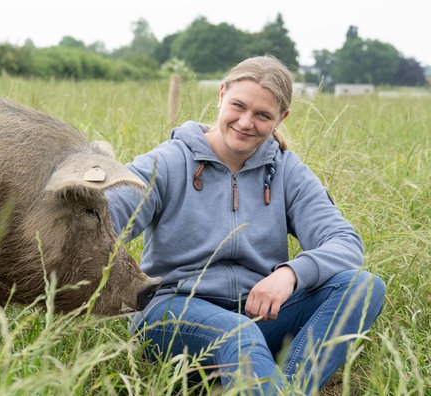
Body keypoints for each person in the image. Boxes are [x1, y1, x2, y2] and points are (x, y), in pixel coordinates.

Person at [106, 55, 385, 394]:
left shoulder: (286, 172)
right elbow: (105, 217)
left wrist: (289, 275)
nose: (246, 122)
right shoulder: (168, 161)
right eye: (238, 106)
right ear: (221, 95)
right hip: (174, 313)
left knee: (363, 286)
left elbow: (345, 242)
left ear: (281, 118)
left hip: (258, 315)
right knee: (238, 333)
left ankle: (286, 387)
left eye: (263, 115)